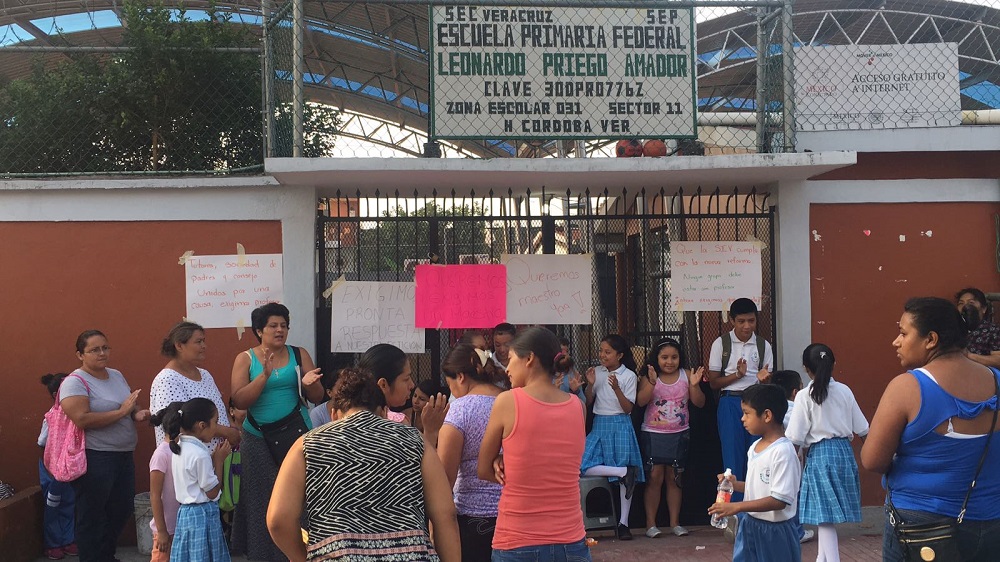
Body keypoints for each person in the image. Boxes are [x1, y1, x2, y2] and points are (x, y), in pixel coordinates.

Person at [267, 368, 461, 562]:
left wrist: (303, 558)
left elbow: (278, 520)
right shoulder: (415, 441)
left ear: (334, 415)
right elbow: (446, 515)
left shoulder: (307, 445)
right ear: (384, 412)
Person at [861, 297, 1000, 562]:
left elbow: (872, 460)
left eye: (903, 333)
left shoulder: (907, 388)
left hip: (920, 525)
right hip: (991, 521)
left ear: (931, 339)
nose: (896, 342)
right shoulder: (997, 381)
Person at [478, 326, 591, 562]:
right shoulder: (577, 406)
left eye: (511, 359)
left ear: (529, 359)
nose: (507, 368)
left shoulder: (507, 401)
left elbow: (484, 469)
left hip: (517, 541)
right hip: (571, 542)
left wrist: (503, 460)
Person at [230, 303, 324, 562]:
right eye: (273, 326)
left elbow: (318, 397)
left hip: (297, 436)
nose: (279, 330)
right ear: (259, 331)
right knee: (262, 498)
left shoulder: (299, 354)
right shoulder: (245, 359)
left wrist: (309, 384)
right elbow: (239, 400)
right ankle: (263, 555)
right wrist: (264, 376)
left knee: (301, 496)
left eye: (283, 325)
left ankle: (303, 553)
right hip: (258, 439)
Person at [60, 329, 150, 562]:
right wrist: (121, 412)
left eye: (105, 348)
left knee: (121, 509)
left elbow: (129, 404)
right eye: (94, 350)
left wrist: (137, 413)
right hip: (96, 457)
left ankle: (105, 555)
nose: (102, 353)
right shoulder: (74, 382)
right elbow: (82, 419)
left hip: (123, 454)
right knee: (92, 514)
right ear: (80, 354)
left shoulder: (116, 375)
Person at [786, 344, 869, 562]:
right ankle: (821, 558)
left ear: (806, 369)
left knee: (824, 518)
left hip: (821, 455)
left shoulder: (804, 396)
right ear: (834, 365)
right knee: (825, 516)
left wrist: (786, 464)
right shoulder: (845, 391)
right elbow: (863, 430)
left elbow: (795, 438)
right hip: (844, 454)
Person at [708, 384, 801, 562]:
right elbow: (758, 487)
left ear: (767, 415)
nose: (742, 418)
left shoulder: (783, 452)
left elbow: (779, 500)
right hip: (750, 525)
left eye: (747, 413)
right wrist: (734, 484)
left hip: (775, 532)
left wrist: (737, 507)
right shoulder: (755, 447)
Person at [438, 344, 503, 561]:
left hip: (473, 519)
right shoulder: (511, 401)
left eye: (450, 385)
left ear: (460, 376)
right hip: (513, 516)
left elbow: (444, 479)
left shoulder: (460, 410)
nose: (452, 393)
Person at [636, 338, 706, 538]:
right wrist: (651, 383)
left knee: (675, 478)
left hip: (679, 433)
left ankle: (675, 523)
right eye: (664, 357)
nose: (669, 362)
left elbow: (700, 403)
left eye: (674, 357)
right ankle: (651, 524)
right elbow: (640, 402)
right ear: (656, 358)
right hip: (653, 433)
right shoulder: (650, 375)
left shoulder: (687, 375)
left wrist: (694, 386)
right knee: (654, 477)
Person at [707, 298, 774, 497]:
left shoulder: (763, 346)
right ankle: (734, 509)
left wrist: (765, 380)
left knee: (758, 454)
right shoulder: (721, 344)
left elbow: (768, 382)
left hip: (756, 403)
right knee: (732, 458)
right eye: (741, 321)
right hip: (730, 402)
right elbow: (713, 383)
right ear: (732, 321)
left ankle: (758, 505)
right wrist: (737, 375)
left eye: (751, 321)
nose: (747, 326)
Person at [581, 333, 644, 540]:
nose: (602, 355)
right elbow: (588, 401)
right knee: (582, 465)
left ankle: (624, 523)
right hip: (600, 423)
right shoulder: (597, 372)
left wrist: (616, 388)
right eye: (601, 351)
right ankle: (623, 471)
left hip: (620, 424)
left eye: (607, 352)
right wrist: (590, 384)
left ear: (620, 355)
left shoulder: (629, 375)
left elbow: (628, 408)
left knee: (624, 482)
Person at [162, 398, 233, 562]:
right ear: (202, 425)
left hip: (186, 514)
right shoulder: (199, 454)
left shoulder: (180, 447)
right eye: (215, 422)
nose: (217, 427)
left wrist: (212, 459)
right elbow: (212, 492)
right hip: (202, 516)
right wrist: (219, 462)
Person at [151, 322, 240, 451]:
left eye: (204, 341)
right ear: (179, 345)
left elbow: (219, 406)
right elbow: (181, 422)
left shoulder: (205, 375)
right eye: (198, 342)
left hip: (217, 458)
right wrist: (227, 432)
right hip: (190, 458)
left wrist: (232, 426)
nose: (204, 346)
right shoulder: (167, 380)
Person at [359, 343, 448, 443]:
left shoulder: (349, 421)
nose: (412, 385)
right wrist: (431, 432)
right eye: (406, 379)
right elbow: (420, 454)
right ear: (383, 384)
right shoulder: (397, 426)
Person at [771, 370, 816, 545]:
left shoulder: (773, 411)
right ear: (796, 392)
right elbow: (802, 437)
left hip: (774, 458)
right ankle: (797, 531)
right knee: (794, 495)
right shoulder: (797, 410)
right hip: (794, 459)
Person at [38, 373, 76, 560]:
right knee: (53, 505)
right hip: (52, 471)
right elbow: (41, 441)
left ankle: (69, 540)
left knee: (70, 502)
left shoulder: (75, 414)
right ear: (56, 395)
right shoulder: (51, 417)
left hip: (69, 468)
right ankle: (53, 543)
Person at [149, 403, 184, 562]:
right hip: (166, 530)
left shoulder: (183, 450)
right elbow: (155, 496)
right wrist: (162, 531)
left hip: (181, 526)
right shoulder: (161, 454)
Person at [957, 288, 1000, 367]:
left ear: (983, 309)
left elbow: (998, 360)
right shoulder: (954, 329)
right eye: (961, 303)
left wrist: (969, 356)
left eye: (971, 303)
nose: (965, 306)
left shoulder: (993, 331)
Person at [553, 337, 585, 401]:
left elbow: (583, 401)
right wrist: (553, 391)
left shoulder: (572, 372)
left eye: (567, 351)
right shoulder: (546, 373)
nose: (565, 354)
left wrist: (575, 391)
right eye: (562, 350)